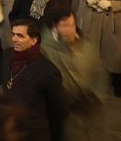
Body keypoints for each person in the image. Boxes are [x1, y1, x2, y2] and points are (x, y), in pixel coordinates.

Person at [0, 17, 65, 141]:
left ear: (34, 40)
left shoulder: (47, 70)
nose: (14, 39)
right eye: (13, 34)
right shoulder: (7, 55)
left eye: (20, 36)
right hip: (9, 130)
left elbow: (59, 109)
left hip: (33, 133)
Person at [41, 11, 108, 140]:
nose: (70, 29)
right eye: (65, 25)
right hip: (65, 116)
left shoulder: (86, 45)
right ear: (54, 27)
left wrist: (97, 96)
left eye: (72, 24)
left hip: (91, 114)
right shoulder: (46, 50)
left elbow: (99, 72)